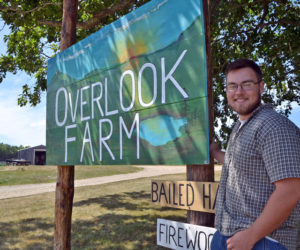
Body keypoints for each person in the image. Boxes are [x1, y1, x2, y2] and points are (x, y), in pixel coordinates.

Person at [210, 59, 300, 250]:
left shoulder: (274, 127)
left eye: (247, 84)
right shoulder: (242, 126)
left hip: (262, 241)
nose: (239, 92)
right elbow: (240, 162)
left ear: (261, 87)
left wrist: (250, 237)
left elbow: (290, 190)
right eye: (232, 86)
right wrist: (216, 152)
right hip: (230, 235)